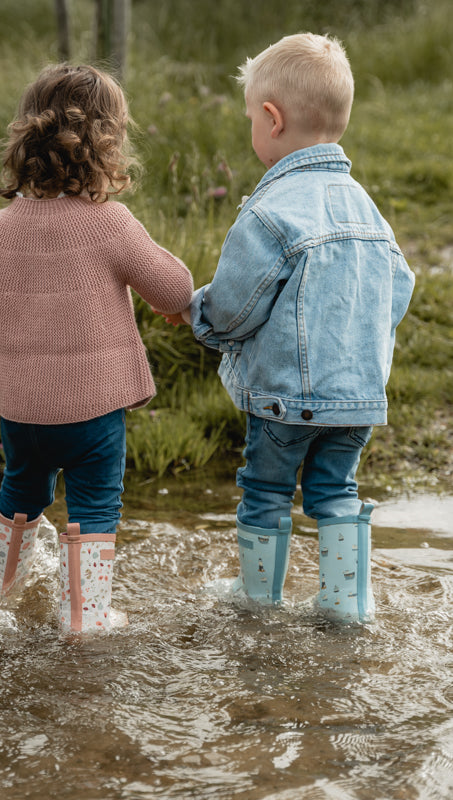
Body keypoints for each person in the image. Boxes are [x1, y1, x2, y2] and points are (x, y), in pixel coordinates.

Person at [161, 33, 415, 622]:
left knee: (266, 490)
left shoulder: (271, 211)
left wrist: (195, 313)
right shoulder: (366, 207)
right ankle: (346, 604)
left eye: (251, 116)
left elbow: (236, 305)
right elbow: (397, 286)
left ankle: (257, 601)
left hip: (285, 399)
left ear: (271, 119)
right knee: (336, 492)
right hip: (356, 399)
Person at [0, 64, 193, 633]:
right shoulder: (109, 223)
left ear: (24, 145)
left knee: (22, 489)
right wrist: (169, 288)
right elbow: (173, 288)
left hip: (21, 411)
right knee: (96, 506)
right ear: (108, 148)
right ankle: (85, 615)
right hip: (95, 412)